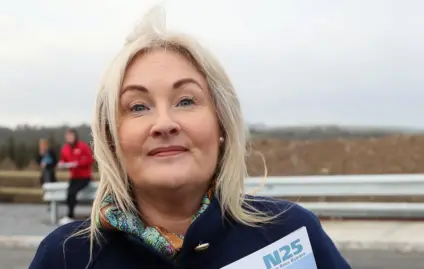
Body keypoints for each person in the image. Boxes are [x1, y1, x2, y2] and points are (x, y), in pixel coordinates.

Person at [29, 6, 351, 269]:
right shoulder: (65, 258)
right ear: (112, 138)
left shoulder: (291, 235)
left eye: (186, 101)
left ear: (221, 124)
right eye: (138, 107)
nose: (164, 124)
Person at [56, 128, 94, 225]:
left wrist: (78, 163)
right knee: (69, 193)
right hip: (74, 176)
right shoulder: (65, 148)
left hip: (84, 176)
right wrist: (61, 164)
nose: (70, 138)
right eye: (68, 136)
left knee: (72, 192)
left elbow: (90, 159)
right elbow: (63, 160)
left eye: (71, 136)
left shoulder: (82, 146)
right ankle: (70, 215)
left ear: (75, 136)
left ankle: (70, 216)